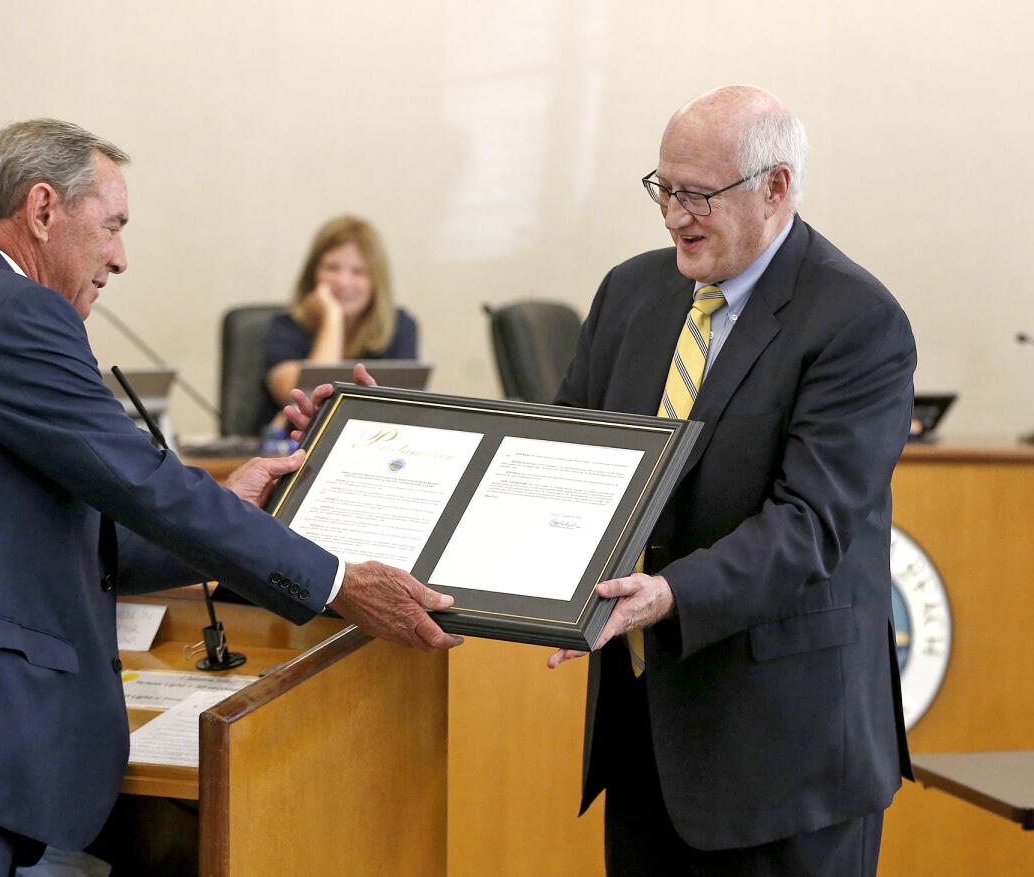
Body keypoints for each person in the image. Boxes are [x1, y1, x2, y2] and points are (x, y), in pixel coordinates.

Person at [289, 86, 917, 877]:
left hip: (788, 752)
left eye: (698, 195)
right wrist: (392, 438)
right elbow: (546, 456)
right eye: (664, 189)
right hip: (648, 738)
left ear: (777, 186)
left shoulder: (857, 319)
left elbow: (809, 524)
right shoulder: (634, 291)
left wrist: (670, 593)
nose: (674, 216)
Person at [0, 119, 460, 877]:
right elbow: (146, 482)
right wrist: (337, 581)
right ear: (42, 210)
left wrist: (237, 499)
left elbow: (90, 538)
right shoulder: (9, 311)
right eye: (114, 226)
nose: (121, 258)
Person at [256, 215, 418, 434]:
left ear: (376, 281)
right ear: (313, 274)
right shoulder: (286, 327)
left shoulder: (400, 327)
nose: (343, 282)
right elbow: (309, 399)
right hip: (294, 456)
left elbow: (403, 414)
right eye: (332, 268)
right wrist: (332, 319)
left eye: (358, 271)